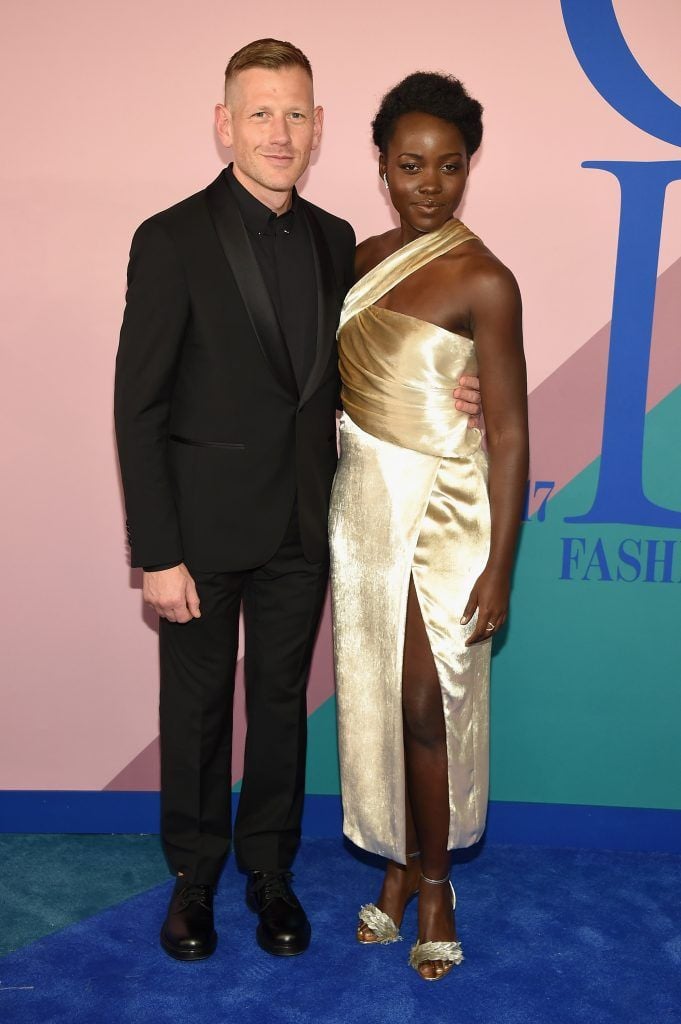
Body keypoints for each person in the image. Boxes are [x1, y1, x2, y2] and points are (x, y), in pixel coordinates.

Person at [114, 40, 484, 961]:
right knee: (195, 713)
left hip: (302, 526)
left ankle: (268, 874)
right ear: (225, 124)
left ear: (318, 132)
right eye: (260, 113)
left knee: (280, 704)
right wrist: (155, 551)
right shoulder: (169, 238)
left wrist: (457, 386)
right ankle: (193, 882)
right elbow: (138, 403)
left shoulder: (335, 244)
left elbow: (376, 359)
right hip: (196, 536)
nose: (278, 132)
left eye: (295, 115)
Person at [329, 72, 528, 981]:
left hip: (446, 514)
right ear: (380, 165)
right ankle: (398, 864)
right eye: (409, 165)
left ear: (466, 171)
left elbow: (514, 430)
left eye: (449, 167)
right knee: (374, 697)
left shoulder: (484, 277)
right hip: (365, 510)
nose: (428, 185)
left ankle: (436, 883)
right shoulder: (356, 258)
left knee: (422, 701)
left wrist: (501, 569)